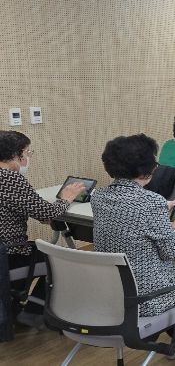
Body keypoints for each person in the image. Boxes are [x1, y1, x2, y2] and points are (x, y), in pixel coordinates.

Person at [92, 134, 175, 352]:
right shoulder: (150, 203)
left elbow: (128, 211)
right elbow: (171, 251)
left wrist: (161, 206)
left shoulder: (98, 197)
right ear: (145, 169)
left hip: (111, 292)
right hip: (144, 298)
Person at [0, 131, 85, 327]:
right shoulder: (9, 179)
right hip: (9, 254)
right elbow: (48, 213)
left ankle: (16, 306)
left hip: (4, 251)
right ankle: (34, 312)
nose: (28, 158)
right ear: (16, 154)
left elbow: (35, 211)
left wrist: (45, 214)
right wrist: (66, 198)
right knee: (63, 260)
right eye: (27, 152)